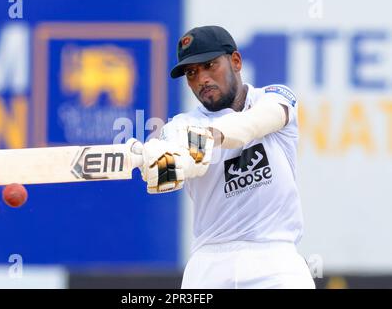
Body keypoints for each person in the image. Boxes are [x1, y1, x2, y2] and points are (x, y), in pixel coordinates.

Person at [130, 25, 315, 289]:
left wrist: (207, 137)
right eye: (191, 73)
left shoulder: (275, 97)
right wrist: (159, 162)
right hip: (209, 264)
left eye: (209, 65)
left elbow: (254, 123)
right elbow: (176, 170)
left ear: (236, 61)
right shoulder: (180, 126)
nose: (201, 79)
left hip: (276, 260)